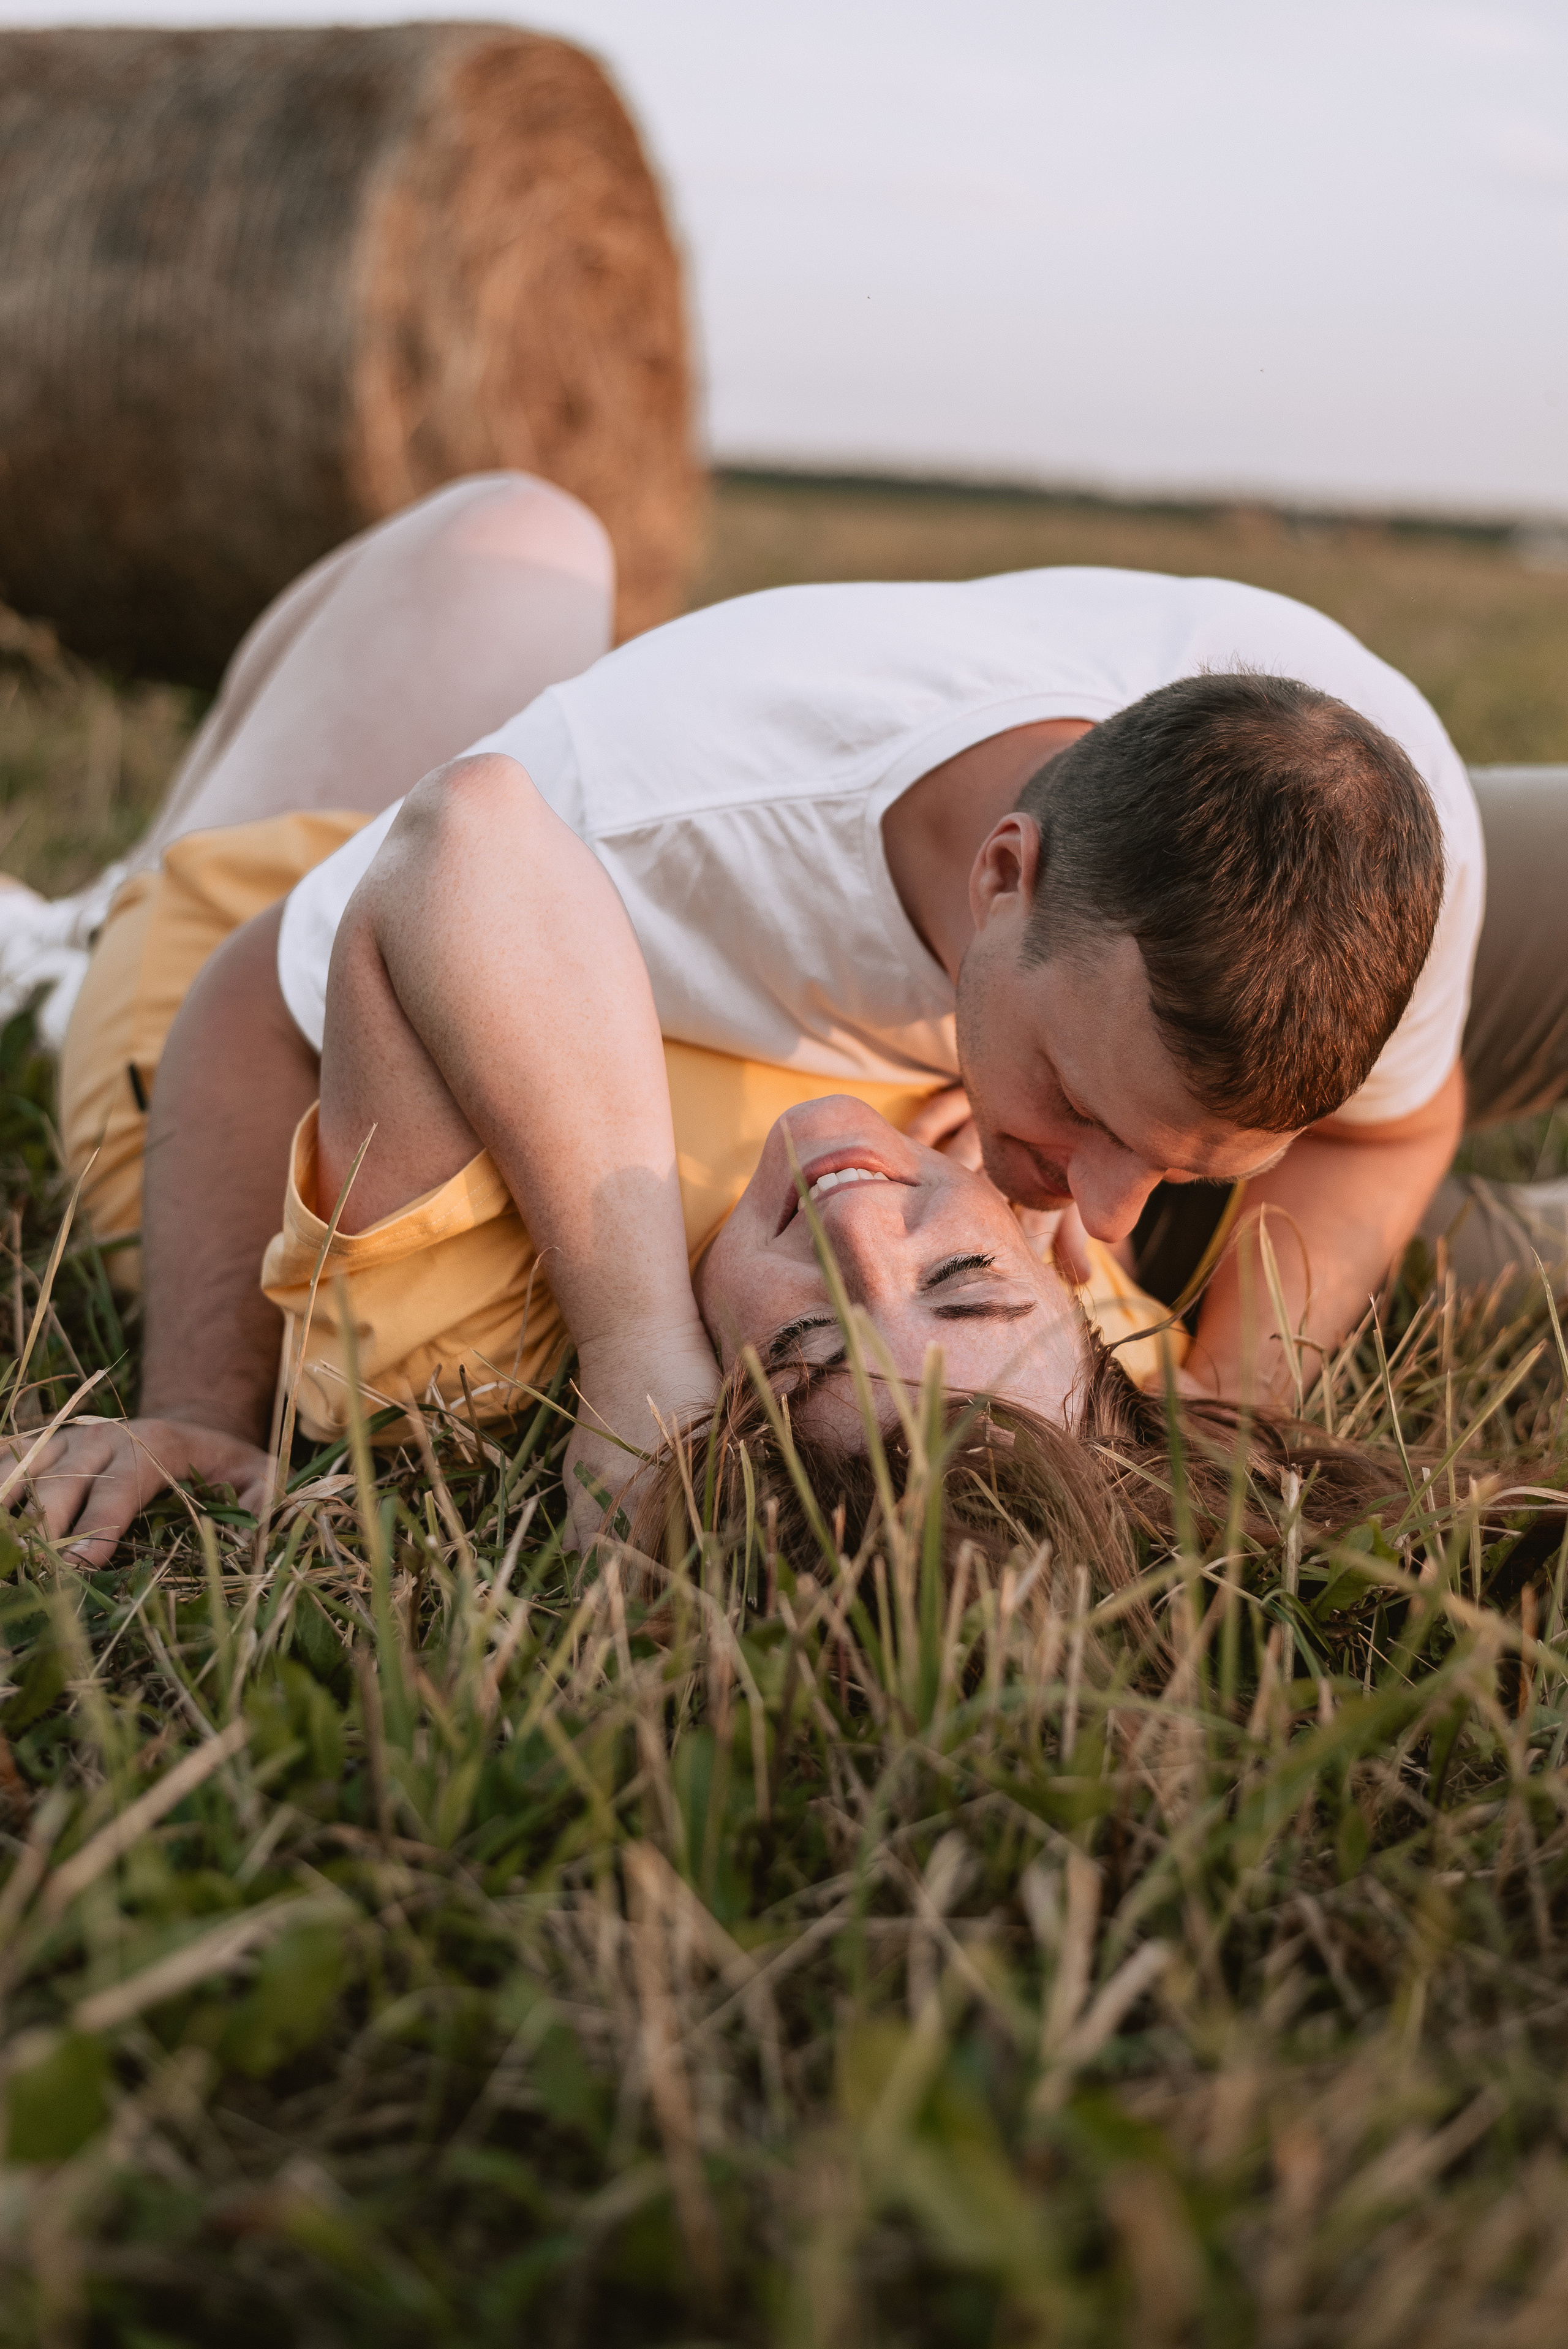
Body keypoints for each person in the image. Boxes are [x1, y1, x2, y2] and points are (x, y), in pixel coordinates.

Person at [4, 472, 1567, 1558]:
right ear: (1003, 882)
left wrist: (199, 1401)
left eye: (815, 1334)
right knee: (516, 537)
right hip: (318, 929)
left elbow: (323, 942)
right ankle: (79, 922)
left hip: (308, 990)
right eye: (962, 1277)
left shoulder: (456, 1343)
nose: (866, 1229)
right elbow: (404, 879)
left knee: (511, 541)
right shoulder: (668, 815)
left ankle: (67, 953)